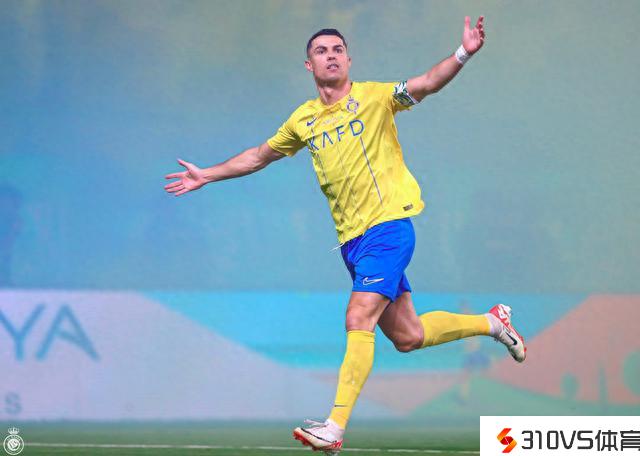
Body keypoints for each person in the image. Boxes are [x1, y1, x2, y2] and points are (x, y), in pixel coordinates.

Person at [164, 16, 526, 454]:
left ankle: (334, 427)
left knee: (358, 318)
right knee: (408, 336)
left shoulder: (376, 97)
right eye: (322, 51)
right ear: (309, 65)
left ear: (349, 60)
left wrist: (464, 52)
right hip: (353, 243)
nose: (331, 56)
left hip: (389, 227)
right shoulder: (303, 119)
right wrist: (207, 174)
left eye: (338, 50)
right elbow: (259, 156)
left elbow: (429, 82)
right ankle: (492, 322)